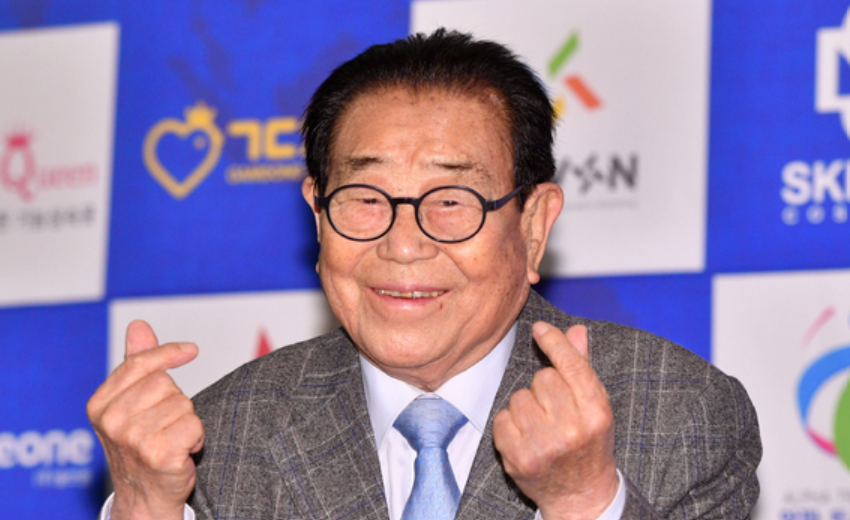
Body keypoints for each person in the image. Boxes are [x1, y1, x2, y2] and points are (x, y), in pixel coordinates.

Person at [88, 29, 761, 520]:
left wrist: (584, 503)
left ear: (533, 226)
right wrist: (145, 508)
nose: (403, 244)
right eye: (365, 198)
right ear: (318, 217)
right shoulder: (217, 439)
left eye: (452, 200)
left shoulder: (680, 413)